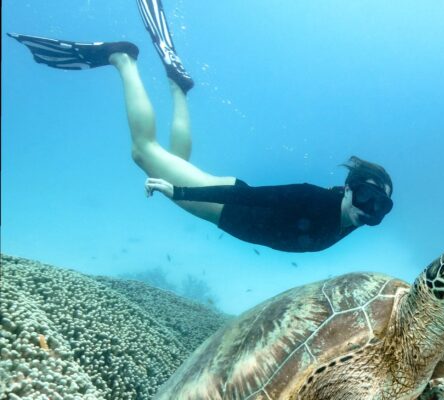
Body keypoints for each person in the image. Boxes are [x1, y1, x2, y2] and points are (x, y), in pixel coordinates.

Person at [8, 0, 393, 253]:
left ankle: (179, 88)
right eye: (364, 196)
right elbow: (253, 197)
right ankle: (121, 59)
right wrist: (180, 191)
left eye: (381, 207)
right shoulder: (316, 199)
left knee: (176, 158)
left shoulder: (354, 218)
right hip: (224, 204)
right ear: (347, 189)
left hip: (226, 207)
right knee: (143, 153)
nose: (369, 210)